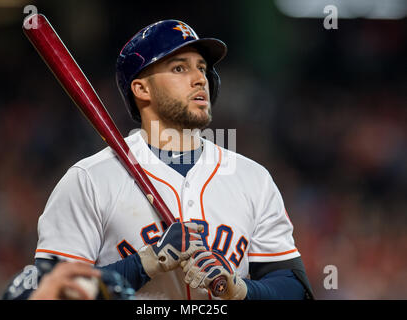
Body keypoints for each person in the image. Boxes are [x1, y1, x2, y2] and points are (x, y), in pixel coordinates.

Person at [25, 19, 313, 300]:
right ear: (141, 89)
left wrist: (243, 291)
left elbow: (294, 286)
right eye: (179, 68)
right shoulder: (89, 179)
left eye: (202, 68)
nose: (200, 78)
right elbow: (51, 291)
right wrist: (146, 263)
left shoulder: (253, 179)